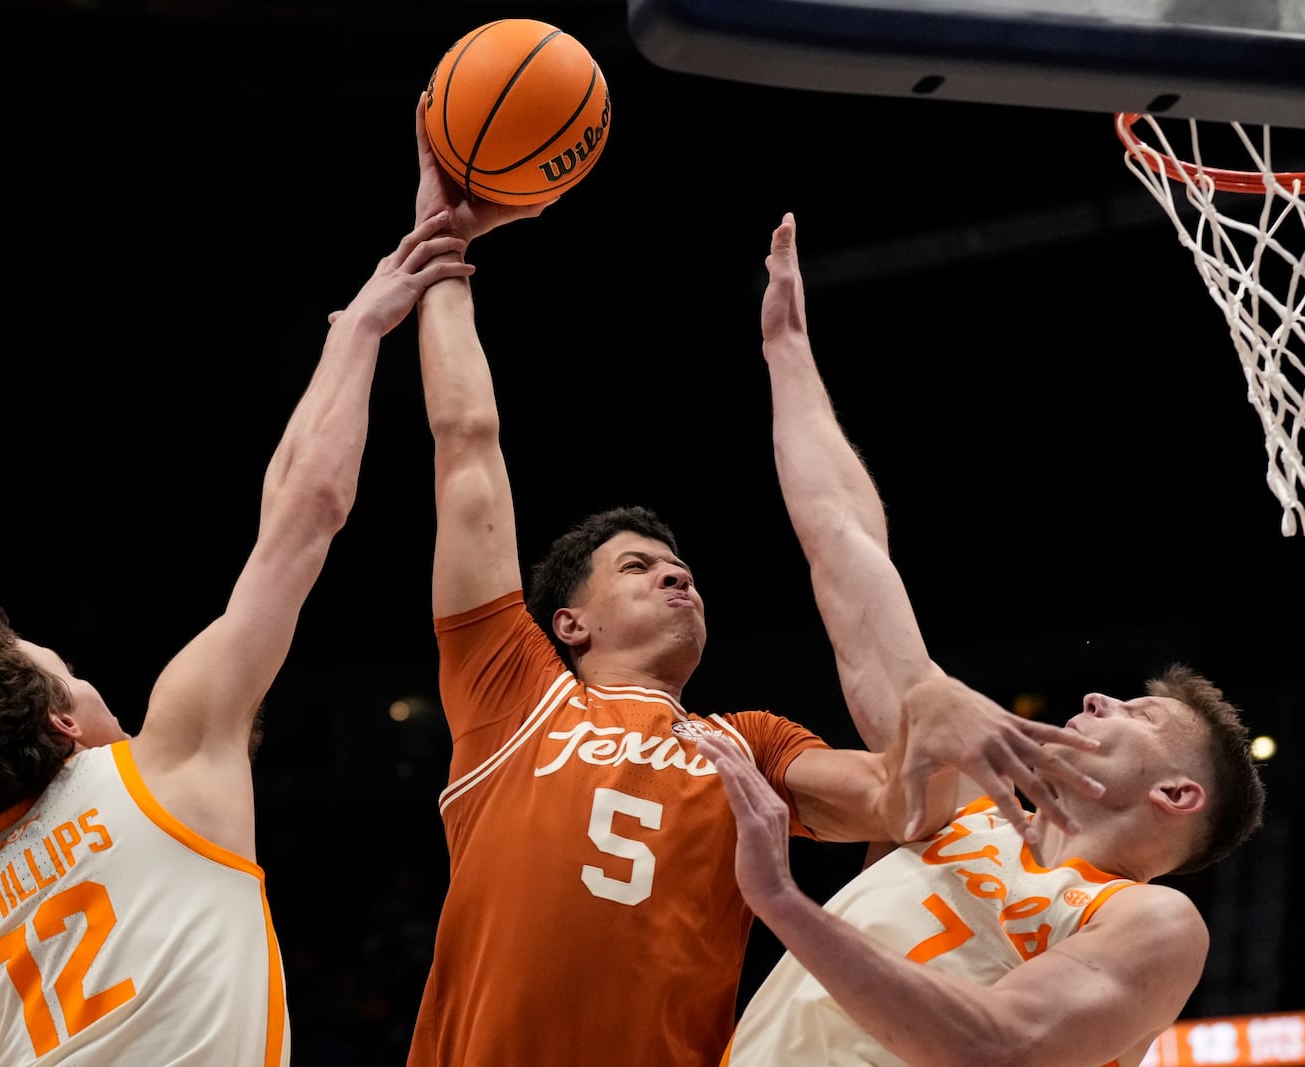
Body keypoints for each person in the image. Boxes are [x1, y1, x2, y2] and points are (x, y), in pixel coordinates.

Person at [402, 96, 1105, 1067]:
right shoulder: (508, 690)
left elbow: (901, 806)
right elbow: (465, 445)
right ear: (567, 621)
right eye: (637, 566)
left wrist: (930, 706)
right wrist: (439, 248)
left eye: (677, 561)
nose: (674, 570)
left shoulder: (751, 746)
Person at [0, 212, 477, 1066]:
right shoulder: (165, 760)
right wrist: (360, 326)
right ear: (63, 723)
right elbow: (306, 506)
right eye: (71, 670)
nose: (89, 681)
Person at [703, 211, 1267, 1067]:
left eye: (1142, 715)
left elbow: (997, 1049)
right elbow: (847, 548)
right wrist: (788, 356)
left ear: (1178, 795)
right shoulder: (960, 794)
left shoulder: (1148, 920)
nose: (1095, 697)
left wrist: (783, 900)